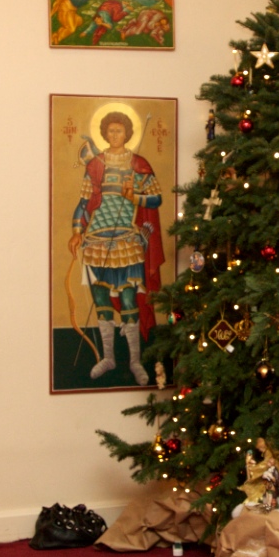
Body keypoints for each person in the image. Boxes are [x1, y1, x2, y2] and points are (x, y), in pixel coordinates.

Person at [69, 112, 163, 384]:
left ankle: (134, 361)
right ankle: (108, 357)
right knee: (101, 302)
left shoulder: (138, 164)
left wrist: (134, 197)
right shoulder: (95, 165)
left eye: (119, 131)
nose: (114, 135)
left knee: (129, 301)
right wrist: (77, 232)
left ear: (128, 133)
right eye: (110, 131)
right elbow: (83, 203)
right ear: (104, 133)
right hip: (96, 243)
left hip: (126, 242)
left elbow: (156, 199)